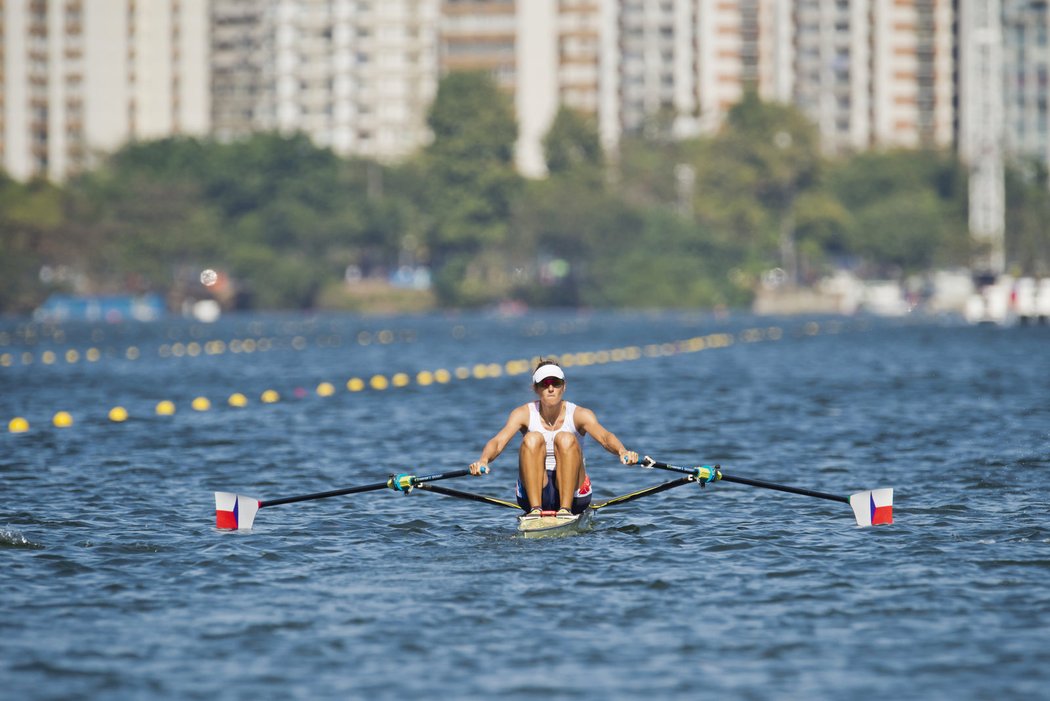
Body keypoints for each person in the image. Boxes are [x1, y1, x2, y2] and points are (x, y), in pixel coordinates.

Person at [468, 360, 638, 518]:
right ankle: (535, 511)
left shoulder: (580, 414)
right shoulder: (522, 414)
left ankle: (565, 510)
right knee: (532, 438)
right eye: (545, 384)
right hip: (534, 493)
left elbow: (605, 437)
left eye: (555, 383)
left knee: (565, 438)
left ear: (563, 387)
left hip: (574, 495)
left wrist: (622, 451)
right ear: (536, 388)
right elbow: (498, 442)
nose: (551, 388)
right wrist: (483, 460)